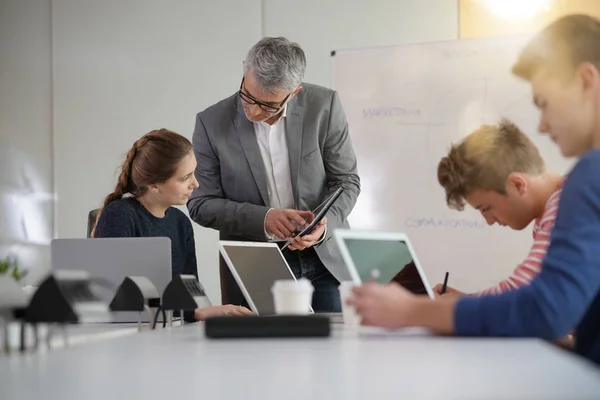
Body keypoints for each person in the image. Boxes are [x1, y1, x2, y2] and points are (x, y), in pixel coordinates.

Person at [348, 14, 600, 366]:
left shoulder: (589, 176)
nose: (542, 125)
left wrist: (412, 310)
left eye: (544, 103)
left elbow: (546, 308)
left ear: (586, 80)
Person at [187, 37, 360, 312]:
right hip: (255, 266)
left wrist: (324, 224)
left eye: (268, 105)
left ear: (294, 93)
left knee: (334, 351)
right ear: (245, 69)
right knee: (258, 354)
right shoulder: (211, 123)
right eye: (247, 96)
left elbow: (346, 181)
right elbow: (200, 204)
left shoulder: (324, 106)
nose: (253, 110)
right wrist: (264, 219)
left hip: (324, 262)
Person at [92, 129, 252, 321]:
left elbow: (191, 296)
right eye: (185, 178)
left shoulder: (180, 222)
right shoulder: (120, 215)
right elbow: (118, 300)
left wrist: (201, 311)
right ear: (154, 185)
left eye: (194, 174)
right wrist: (193, 313)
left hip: (168, 330)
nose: (195, 184)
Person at [432, 120, 563, 297]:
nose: (489, 220)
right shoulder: (556, 207)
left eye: (486, 208)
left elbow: (524, 289)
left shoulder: (566, 208)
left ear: (517, 185)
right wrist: (465, 301)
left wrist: (457, 306)